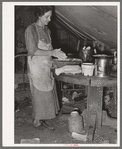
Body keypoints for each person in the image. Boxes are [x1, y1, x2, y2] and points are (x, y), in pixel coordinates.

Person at [25, 6, 67, 130]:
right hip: (36, 67)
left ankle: (40, 119)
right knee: (38, 94)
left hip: (46, 66)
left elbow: (49, 50)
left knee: (46, 93)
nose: (49, 19)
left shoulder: (47, 30)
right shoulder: (31, 29)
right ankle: (36, 121)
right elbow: (32, 51)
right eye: (47, 16)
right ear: (39, 15)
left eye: (50, 16)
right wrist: (52, 53)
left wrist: (55, 57)